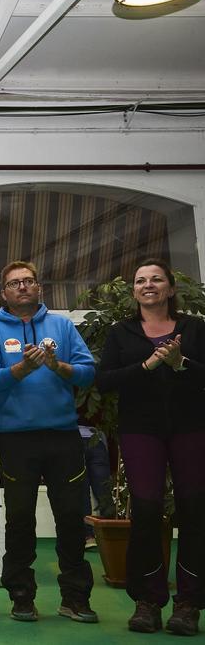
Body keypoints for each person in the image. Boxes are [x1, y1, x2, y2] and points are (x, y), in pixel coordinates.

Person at [0, 260, 97, 624]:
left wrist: (57, 366)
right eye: (14, 283)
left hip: (62, 436)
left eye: (28, 281)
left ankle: (75, 597)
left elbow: (89, 372)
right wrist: (23, 369)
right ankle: (21, 596)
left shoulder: (62, 325)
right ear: (4, 293)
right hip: (16, 440)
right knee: (19, 520)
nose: (23, 287)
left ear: (39, 287)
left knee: (71, 519)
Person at [96, 259, 204, 636]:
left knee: (194, 509)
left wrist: (180, 363)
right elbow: (104, 380)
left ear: (171, 289)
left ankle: (189, 603)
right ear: (134, 292)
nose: (148, 285)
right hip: (141, 430)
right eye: (141, 281)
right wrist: (146, 366)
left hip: (191, 428)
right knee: (145, 509)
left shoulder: (194, 328)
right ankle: (148, 600)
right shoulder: (121, 333)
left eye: (156, 279)